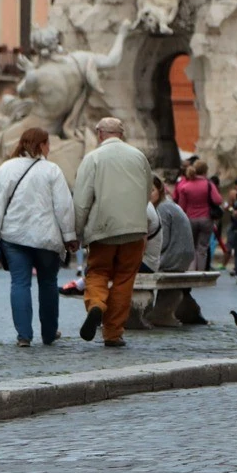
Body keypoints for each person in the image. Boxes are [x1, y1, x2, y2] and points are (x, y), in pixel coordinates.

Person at [0, 127, 78, 346]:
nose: (50, 148)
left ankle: (24, 336)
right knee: (48, 282)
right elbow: (64, 207)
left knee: (19, 283)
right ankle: (49, 333)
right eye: (48, 144)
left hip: (13, 235)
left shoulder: (6, 168)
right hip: (45, 236)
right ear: (41, 145)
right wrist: (69, 235)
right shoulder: (52, 170)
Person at [72, 117, 152, 346]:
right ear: (122, 134)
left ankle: (97, 304)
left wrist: (76, 233)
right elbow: (147, 192)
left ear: (99, 134)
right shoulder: (139, 157)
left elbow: (81, 202)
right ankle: (113, 333)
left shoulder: (93, 158)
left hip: (102, 229)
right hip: (135, 230)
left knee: (97, 272)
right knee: (124, 280)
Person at [172, 160, 223, 271]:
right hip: (206, 218)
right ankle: (200, 271)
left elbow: (181, 206)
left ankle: (191, 270)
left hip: (190, 219)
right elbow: (218, 200)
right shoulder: (209, 184)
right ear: (205, 171)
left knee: (192, 246)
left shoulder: (186, 186)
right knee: (202, 247)